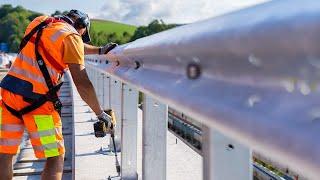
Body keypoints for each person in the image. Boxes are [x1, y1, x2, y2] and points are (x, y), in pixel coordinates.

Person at [0, 10, 116, 180]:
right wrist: (100, 113)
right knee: (55, 156)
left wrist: (99, 50)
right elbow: (82, 84)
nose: (80, 37)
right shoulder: (72, 37)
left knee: (4, 153)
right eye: (82, 34)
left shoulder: (39, 22)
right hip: (37, 102)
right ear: (82, 26)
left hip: (9, 95)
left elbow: (70, 46)